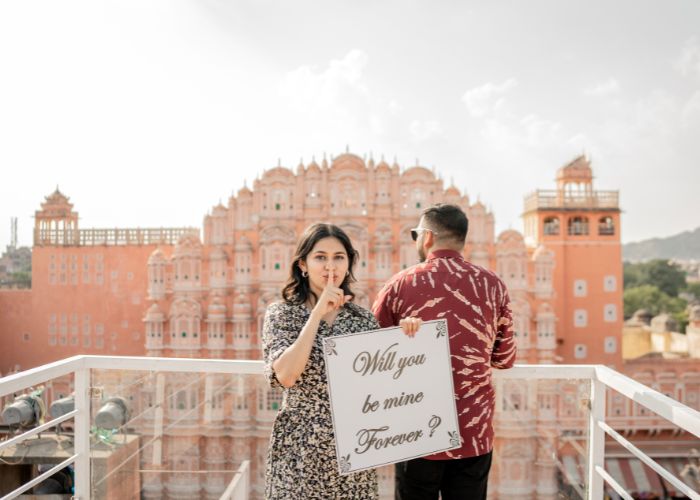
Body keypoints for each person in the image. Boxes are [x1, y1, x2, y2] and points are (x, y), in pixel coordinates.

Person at [372, 204, 516, 500]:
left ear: (426, 237)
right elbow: (504, 357)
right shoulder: (492, 285)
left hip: (415, 430)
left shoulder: (401, 284)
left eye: (415, 234)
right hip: (473, 431)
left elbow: (372, 356)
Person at [261, 223, 380, 499]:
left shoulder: (362, 319)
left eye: (339, 257)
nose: (331, 266)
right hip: (299, 450)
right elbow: (286, 376)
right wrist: (316, 315)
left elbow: (383, 381)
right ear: (303, 264)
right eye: (320, 257)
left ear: (349, 263)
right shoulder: (282, 314)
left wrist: (409, 333)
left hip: (354, 450)